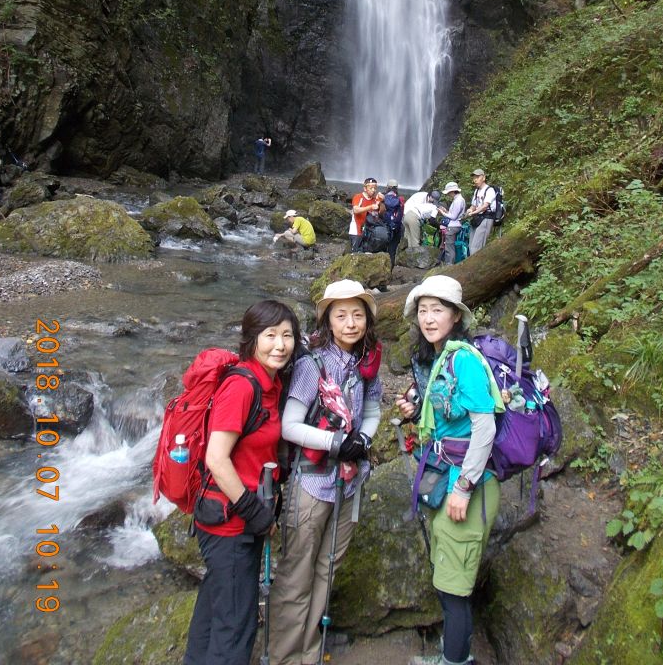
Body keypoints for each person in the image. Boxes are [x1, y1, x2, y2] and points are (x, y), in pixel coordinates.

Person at [269, 279, 383, 665]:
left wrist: (363, 440)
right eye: (341, 315)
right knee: (297, 575)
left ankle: (310, 653)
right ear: (328, 322)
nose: (350, 323)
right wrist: (336, 443)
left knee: (326, 572)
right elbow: (290, 425)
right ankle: (285, 656)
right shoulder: (310, 364)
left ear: (367, 320)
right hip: (313, 483)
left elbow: (371, 411)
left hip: (349, 486)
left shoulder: (367, 363)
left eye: (357, 314)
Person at [183, 300, 301, 665]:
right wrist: (253, 511)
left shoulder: (271, 382)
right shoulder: (242, 387)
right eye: (270, 335)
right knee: (237, 624)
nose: (280, 344)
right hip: (230, 523)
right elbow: (216, 458)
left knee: (217, 604)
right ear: (252, 340)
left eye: (287, 335)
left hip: (239, 519)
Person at [394, 276, 503, 665]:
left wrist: (464, 488)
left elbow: (484, 427)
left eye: (437, 309)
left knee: (454, 588)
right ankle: (453, 653)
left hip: (468, 481)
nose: (428, 318)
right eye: (422, 310)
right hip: (448, 473)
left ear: (456, 316)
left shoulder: (464, 360)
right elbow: (443, 413)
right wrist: (415, 408)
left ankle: (456, 660)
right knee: (446, 577)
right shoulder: (438, 359)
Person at [464, 170, 496, 255]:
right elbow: (473, 205)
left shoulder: (490, 190)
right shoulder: (477, 191)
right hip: (477, 218)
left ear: (484, 177)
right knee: (471, 245)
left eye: (477, 177)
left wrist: (474, 213)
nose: (475, 180)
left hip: (486, 218)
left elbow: (485, 206)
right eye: (474, 178)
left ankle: (475, 267)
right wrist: (470, 210)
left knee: (476, 247)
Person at [349, 177, 383, 252]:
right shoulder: (358, 197)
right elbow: (356, 210)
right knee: (355, 252)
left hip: (369, 232)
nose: (373, 190)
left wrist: (382, 201)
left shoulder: (375, 200)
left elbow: (380, 214)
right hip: (356, 230)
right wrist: (370, 207)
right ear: (365, 188)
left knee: (366, 252)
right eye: (371, 188)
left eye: (375, 188)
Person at [437, 182, 466, 265]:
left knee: (449, 247)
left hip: (453, 226)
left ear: (453, 191)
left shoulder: (458, 201)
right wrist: (446, 211)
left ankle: (449, 265)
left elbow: (453, 217)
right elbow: (453, 213)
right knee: (450, 246)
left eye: (448, 193)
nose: (448, 194)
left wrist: (442, 212)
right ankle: (449, 263)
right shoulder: (458, 200)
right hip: (455, 225)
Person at [382, 179, 405, 266]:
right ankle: (391, 267)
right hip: (397, 228)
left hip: (385, 227)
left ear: (387, 187)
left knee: (382, 248)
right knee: (392, 250)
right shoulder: (400, 199)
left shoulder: (383, 198)